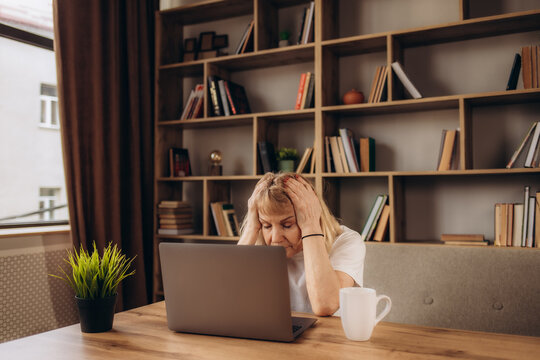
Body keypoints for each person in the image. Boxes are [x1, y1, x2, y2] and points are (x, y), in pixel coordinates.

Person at [238, 172, 365, 316]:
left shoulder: (347, 241)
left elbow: (326, 305)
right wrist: (250, 229)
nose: (275, 238)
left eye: (287, 225)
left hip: (332, 337)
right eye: (267, 225)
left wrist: (310, 226)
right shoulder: (259, 244)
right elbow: (227, 298)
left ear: (311, 213)